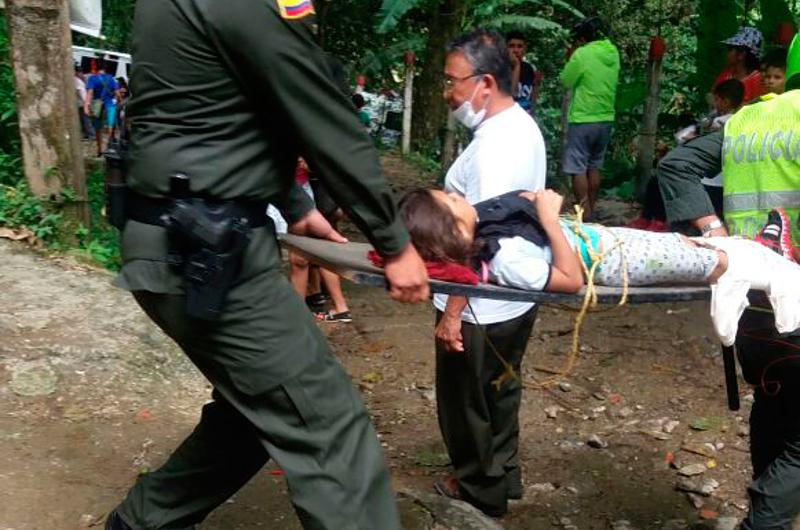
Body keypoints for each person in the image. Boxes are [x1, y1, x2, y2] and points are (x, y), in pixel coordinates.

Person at [104, 1, 429, 529]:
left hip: (172, 234)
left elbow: (218, 107)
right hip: (206, 250)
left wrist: (297, 208)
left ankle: (142, 522)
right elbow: (318, 110)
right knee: (328, 425)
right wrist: (394, 243)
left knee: (255, 408)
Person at [657, 32, 800, 530]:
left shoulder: (749, 118)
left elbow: (676, 165)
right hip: (796, 300)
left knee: (775, 401)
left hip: (747, 301)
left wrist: (717, 234)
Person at [401, 187, 800, 346]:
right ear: (452, 229)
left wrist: (531, 205)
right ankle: (771, 263)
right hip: (611, 263)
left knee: (683, 243)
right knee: (707, 262)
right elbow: (570, 280)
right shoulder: (504, 259)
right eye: (451, 199)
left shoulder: (486, 228)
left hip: (604, 243)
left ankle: (759, 248)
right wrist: (550, 220)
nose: (457, 194)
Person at [432, 28, 546, 518]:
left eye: (452, 81)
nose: (447, 92)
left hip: (481, 298)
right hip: (516, 289)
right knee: (500, 385)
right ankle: (505, 471)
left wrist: (452, 312)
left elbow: (477, 234)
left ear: (484, 83)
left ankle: (481, 487)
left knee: (466, 399)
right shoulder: (518, 127)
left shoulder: (497, 147)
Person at [560, 16, 620, 221]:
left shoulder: (582, 54)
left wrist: (572, 57)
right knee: (594, 166)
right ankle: (591, 210)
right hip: (606, 118)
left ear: (582, 39)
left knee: (577, 168)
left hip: (583, 118)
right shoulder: (613, 52)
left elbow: (566, 80)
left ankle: (582, 213)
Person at [701, 78, 745, 217]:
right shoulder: (744, 118)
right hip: (730, 179)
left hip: (713, 179)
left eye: (717, 100)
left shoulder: (719, 121)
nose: (714, 103)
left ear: (725, 102)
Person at [714, 26, 764, 103]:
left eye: (730, 49)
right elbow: (713, 93)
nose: (727, 53)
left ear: (741, 54)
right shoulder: (727, 73)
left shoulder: (757, 80)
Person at [83, 60, 120, 157]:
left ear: (95, 68)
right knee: (110, 125)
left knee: (98, 128)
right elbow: (117, 93)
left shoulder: (92, 78)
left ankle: (99, 150)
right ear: (105, 68)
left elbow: (90, 93)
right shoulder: (111, 78)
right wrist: (117, 101)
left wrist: (86, 105)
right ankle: (109, 146)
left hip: (97, 106)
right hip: (110, 105)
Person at [506, 30, 540, 114]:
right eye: (511, 46)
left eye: (519, 46)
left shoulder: (529, 68)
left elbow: (532, 99)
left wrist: (537, 84)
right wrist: (517, 66)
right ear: (505, 48)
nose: (516, 50)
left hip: (525, 116)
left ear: (524, 49)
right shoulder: (500, 68)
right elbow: (512, 94)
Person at [74, 65, 93, 140]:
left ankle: (90, 134)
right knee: (84, 120)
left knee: (85, 120)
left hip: (82, 103)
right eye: (80, 72)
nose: (82, 74)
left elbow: (80, 91)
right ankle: (88, 134)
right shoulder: (77, 80)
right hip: (83, 102)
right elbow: (80, 92)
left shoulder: (78, 80)